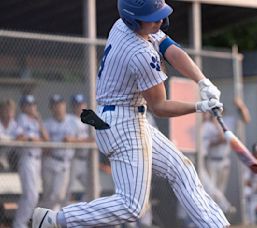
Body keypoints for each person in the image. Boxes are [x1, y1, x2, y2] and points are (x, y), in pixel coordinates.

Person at [31, 0, 229, 227]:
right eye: (152, 17)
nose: (160, 21)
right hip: (123, 124)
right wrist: (198, 106)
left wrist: (202, 81)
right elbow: (160, 107)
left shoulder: (123, 25)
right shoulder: (140, 53)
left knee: (181, 169)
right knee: (131, 206)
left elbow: (169, 48)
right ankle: (55, 220)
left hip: (123, 116)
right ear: (133, 20)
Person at [12, 95, 49, 228]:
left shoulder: (36, 121)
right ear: (23, 107)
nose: (32, 107)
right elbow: (20, 136)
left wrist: (39, 120)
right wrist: (32, 139)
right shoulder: (21, 118)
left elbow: (46, 139)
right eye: (28, 105)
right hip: (27, 158)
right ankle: (19, 224)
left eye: (33, 104)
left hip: (37, 160)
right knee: (31, 195)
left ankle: (21, 223)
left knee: (33, 195)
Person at [40, 94, 77, 211]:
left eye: (60, 104)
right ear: (51, 108)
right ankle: (44, 219)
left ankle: (51, 220)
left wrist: (72, 139)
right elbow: (43, 148)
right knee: (48, 194)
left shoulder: (73, 121)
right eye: (55, 105)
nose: (58, 107)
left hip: (64, 162)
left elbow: (86, 138)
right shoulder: (47, 124)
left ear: (65, 105)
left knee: (58, 195)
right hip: (49, 161)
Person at [65, 94, 94, 203]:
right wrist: (85, 140)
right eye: (77, 105)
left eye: (81, 104)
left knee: (95, 188)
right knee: (67, 190)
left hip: (87, 161)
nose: (80, 107)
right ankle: (63, 214)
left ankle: (82, 210)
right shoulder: (69, 119)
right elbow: (68, 139)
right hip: (74, 159)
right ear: (73, 106)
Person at [0, 99, 23, 172]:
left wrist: (8, 140)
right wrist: (12, 139)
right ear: (1, 111)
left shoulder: (14, 124)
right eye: (6, 110)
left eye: (11, 111)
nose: (9, 113)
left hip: (11, 153)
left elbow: (21, 137)